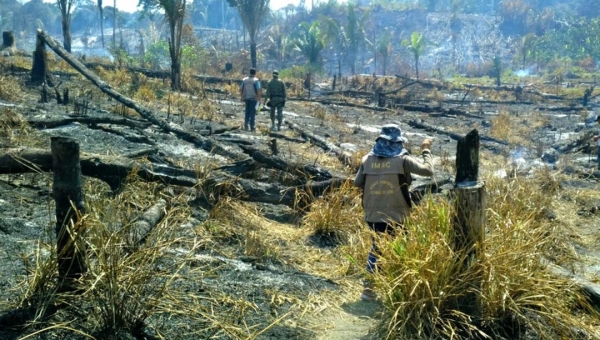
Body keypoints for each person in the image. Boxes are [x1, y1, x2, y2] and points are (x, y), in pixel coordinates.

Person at [354, 124, 434, 301]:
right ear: (398, 141)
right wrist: (426, 150)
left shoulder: (367, 159)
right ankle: (400, 289)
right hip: (398, 214)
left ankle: (369, 289)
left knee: (377, 248)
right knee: (400, 249)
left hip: (373, 213)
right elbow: (428, 171)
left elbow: (357, 182)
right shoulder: (403, 159)